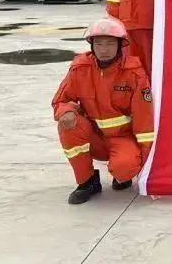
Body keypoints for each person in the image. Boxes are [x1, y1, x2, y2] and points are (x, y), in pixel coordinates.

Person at [52, 16, 155, 205]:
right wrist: (66, 111)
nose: (104, 50)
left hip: (123, 138)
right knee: (68, 125)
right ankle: (87, 181)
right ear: (91, 45)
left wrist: (146, 163)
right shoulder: (80, 69)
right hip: (93, 136)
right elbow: (61, 100)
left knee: (125, 168)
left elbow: (144, 119)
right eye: (99, 44)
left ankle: (122, 174)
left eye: (110, 44)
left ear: (120, 45)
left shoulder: (134, 74)